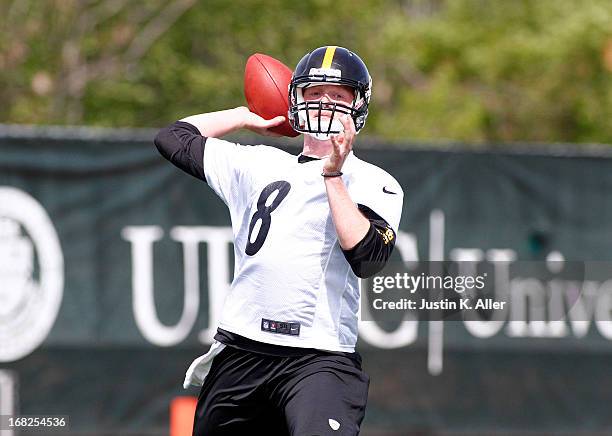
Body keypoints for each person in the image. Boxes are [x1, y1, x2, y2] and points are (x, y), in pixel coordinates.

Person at [154, 45, 403, 436]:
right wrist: (244, 117)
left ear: (358, 107)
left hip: (318, 358)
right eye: (314, 93)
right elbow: (172, 137)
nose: (324, 104)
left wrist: (333, 176)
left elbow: (368, 258)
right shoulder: (258, 163)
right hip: (242, 349)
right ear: (295, 101)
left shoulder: (374, 181)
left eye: (337, 96)